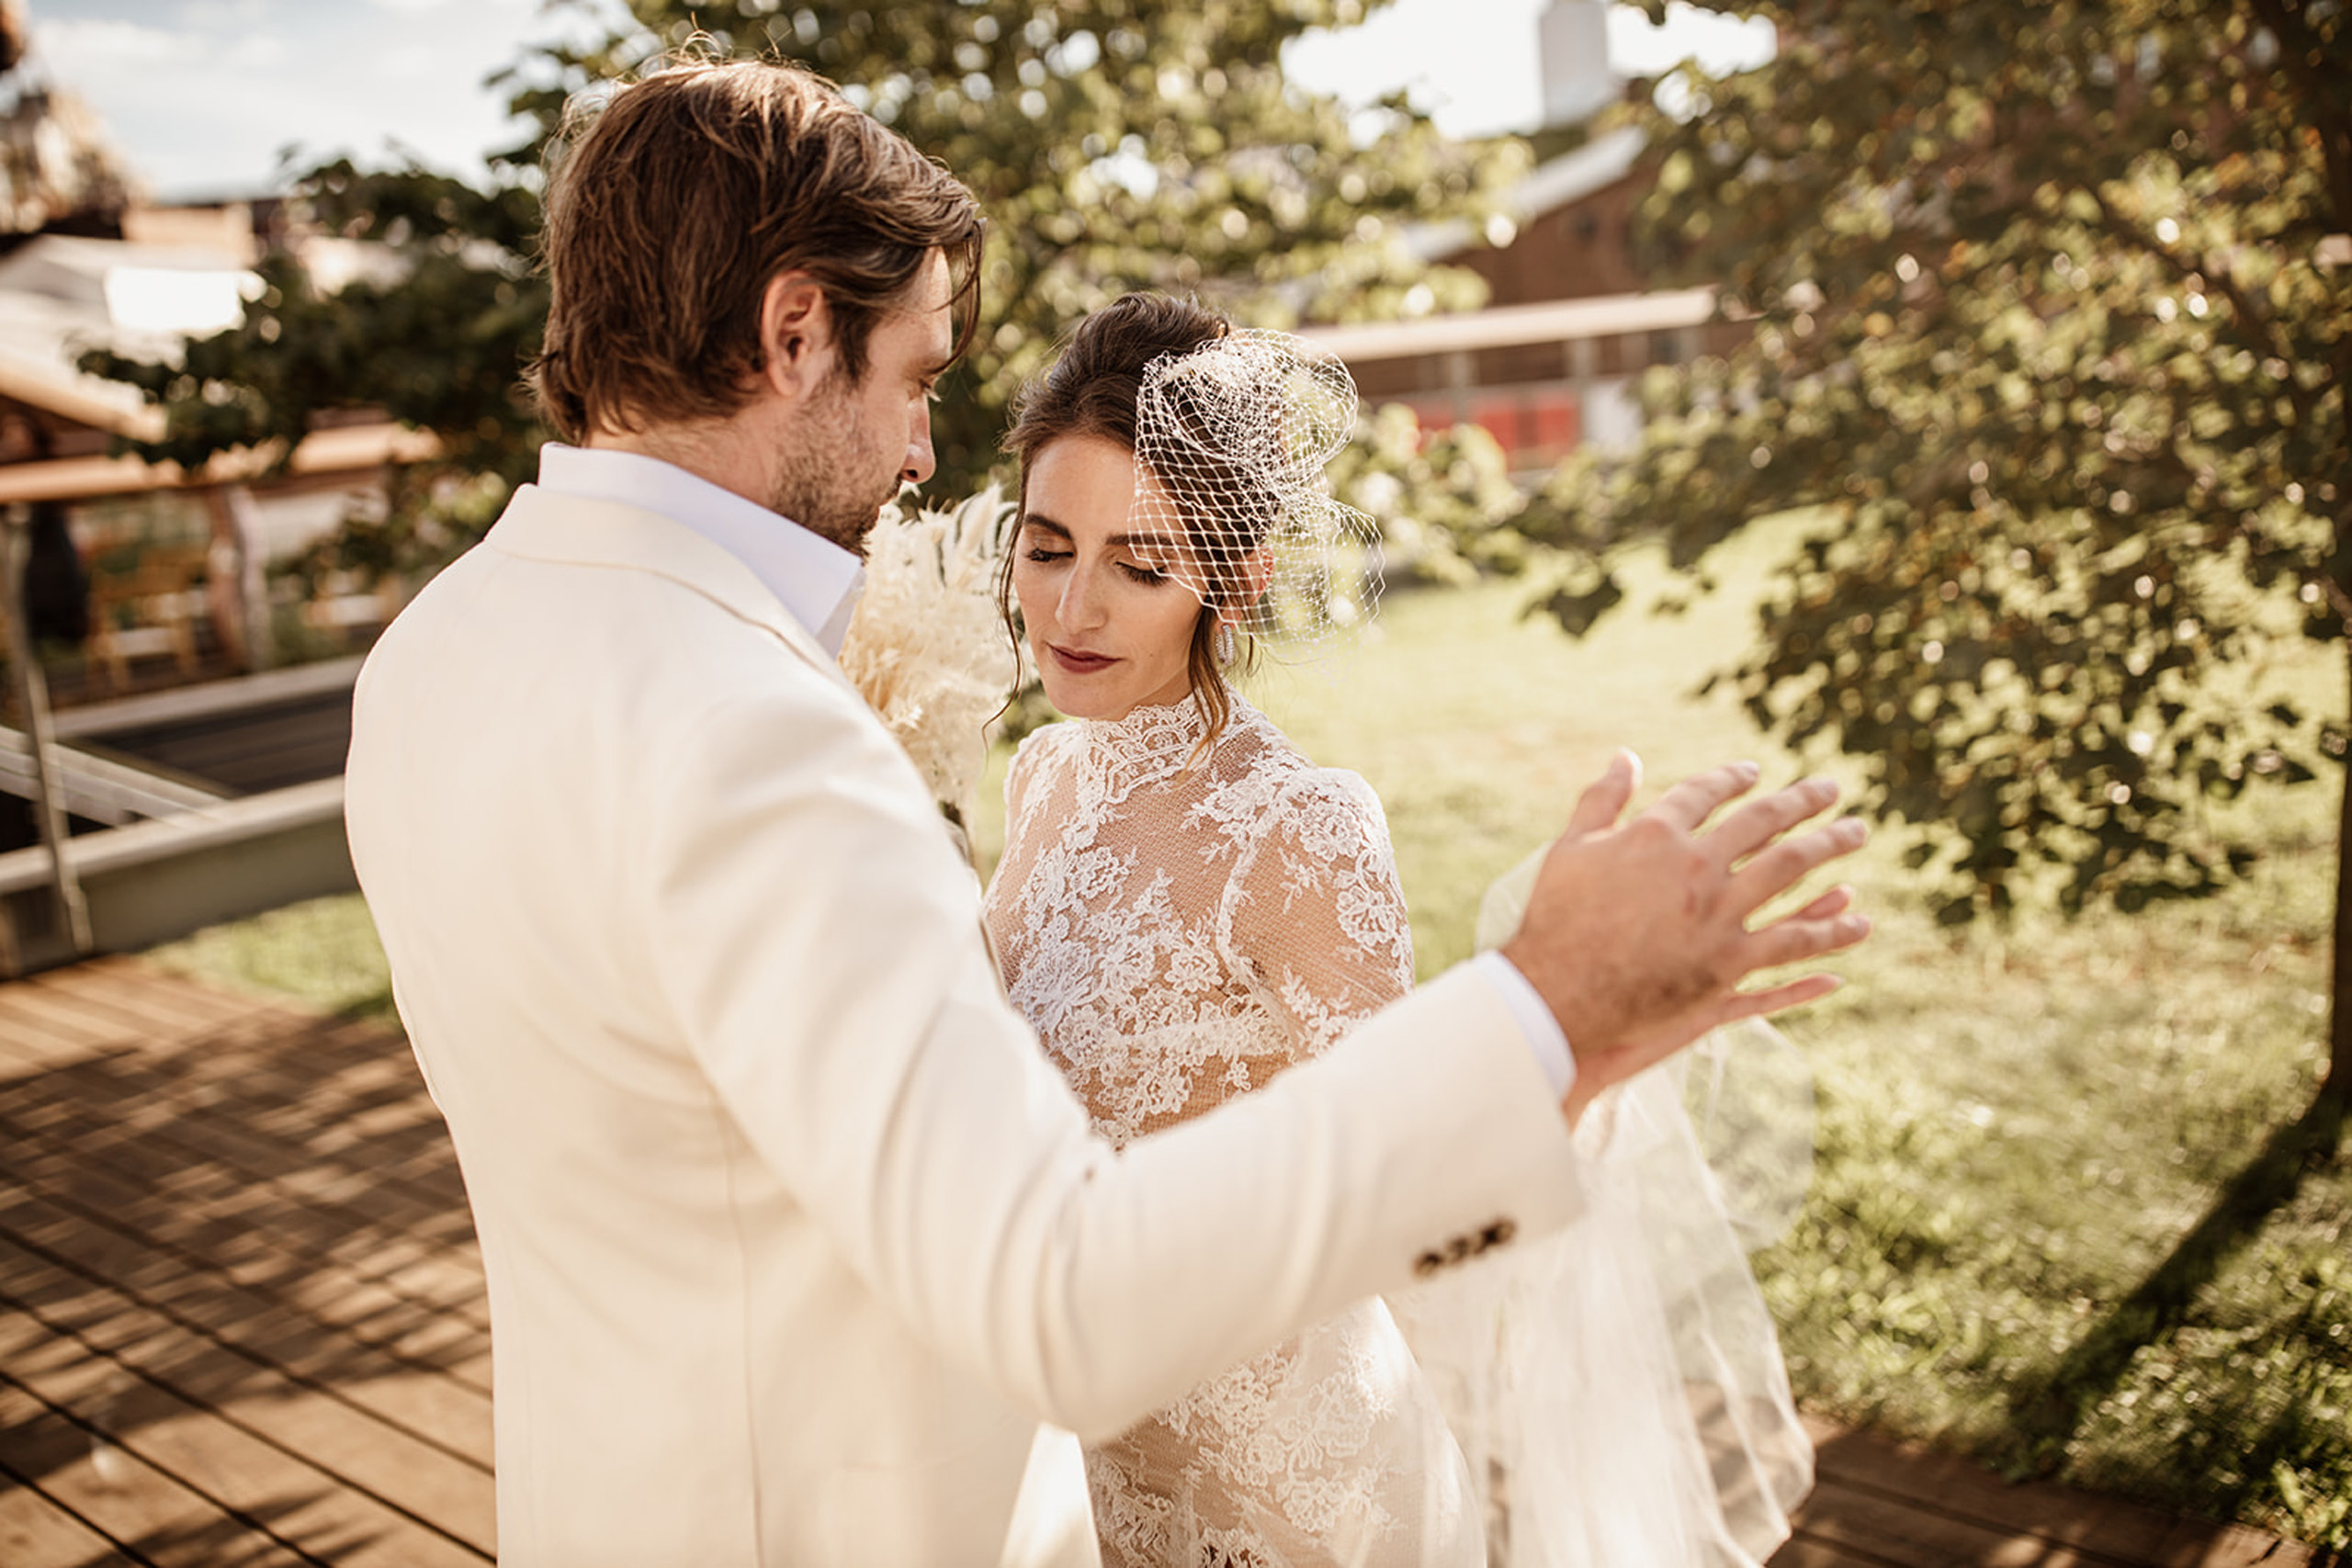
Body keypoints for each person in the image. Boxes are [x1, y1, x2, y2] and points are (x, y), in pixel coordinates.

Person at [342, 57, 1870, 1568]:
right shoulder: (759, 739)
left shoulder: (436, 652)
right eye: (919, 376)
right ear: (796, 331)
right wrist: (1551, 1012)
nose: (920, 453)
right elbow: (1049, 1292)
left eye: (1136, 563)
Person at [984, 296, 1817, 1567]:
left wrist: (1574, 1034)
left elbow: (1429, 1191)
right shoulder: (1041, 775)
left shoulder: (1297, 833)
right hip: (1068, 1463)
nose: (1074, 607)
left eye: (1141, 565)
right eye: (1047, 548)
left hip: (1282, 1497)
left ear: (1239, 578)